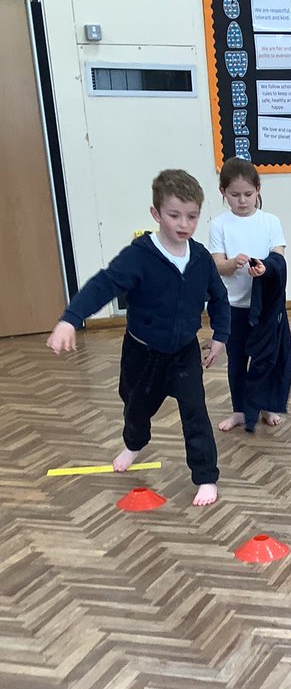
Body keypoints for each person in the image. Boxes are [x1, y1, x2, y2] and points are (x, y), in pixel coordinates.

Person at [45, 168, 229, 507]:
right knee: (135, 405)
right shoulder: (139, 256)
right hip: (142, 353)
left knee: (195, 410)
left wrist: (220, 336)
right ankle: (134, 443)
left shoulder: (201, 258)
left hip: (184, 353)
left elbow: (218, 297)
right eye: (175, 215)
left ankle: (205, 476)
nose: (184, 224)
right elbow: (103, 284)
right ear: (156, 214)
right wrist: (71, 319)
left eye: (192, 216)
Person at [209, 158, 291, 428]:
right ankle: (240, 410)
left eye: (248, 194)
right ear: (223, 193)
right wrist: (233, 264)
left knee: (265, 358)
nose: (242, 200)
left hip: (266, 307)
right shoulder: (219, 225)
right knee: (237, 361)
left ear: (258, 189)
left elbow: (278, 259)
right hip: (233, 306)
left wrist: (264, 269)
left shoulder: (270, 221)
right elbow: (218, 265)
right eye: (234, 195)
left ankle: (266, 406)